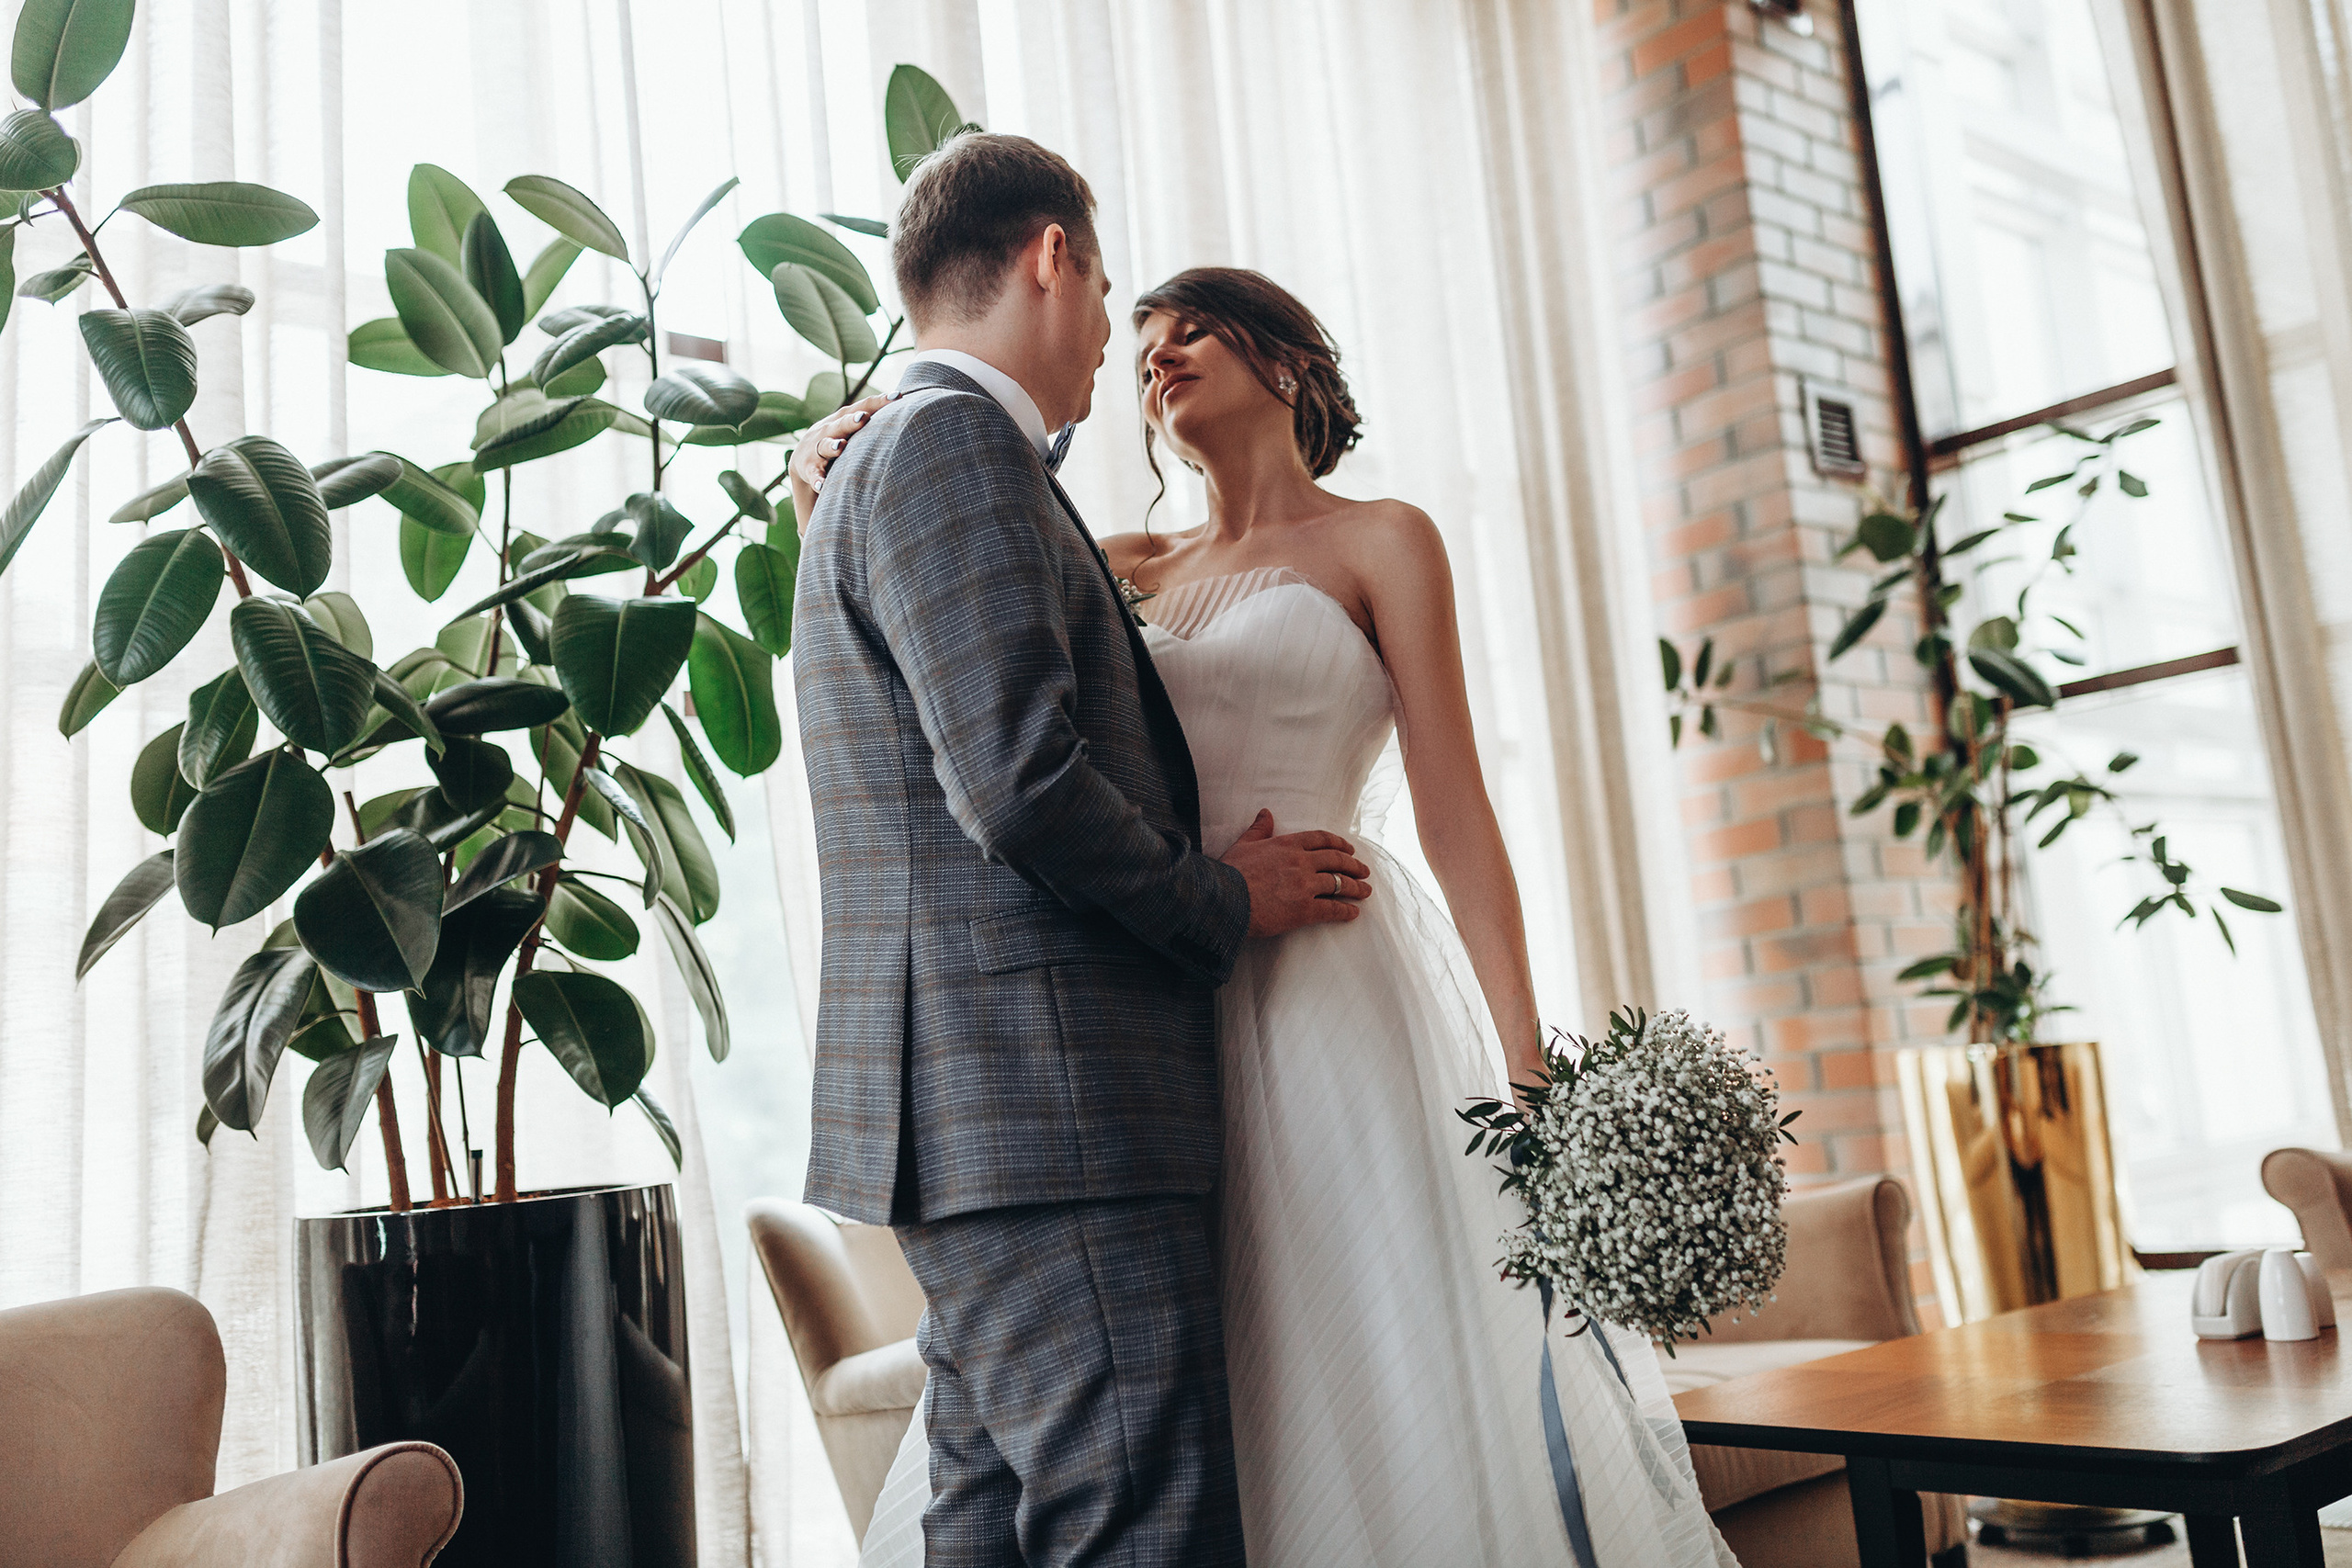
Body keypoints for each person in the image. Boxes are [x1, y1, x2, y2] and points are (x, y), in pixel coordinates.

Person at [797, 254, 1736, 1567]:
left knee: (1353, 1340)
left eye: (1194, 332)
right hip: (1154, 985)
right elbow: (980, 620)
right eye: (1141, 348)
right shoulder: (1109, 553)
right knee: (1163, 1373)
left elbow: (1458, 810)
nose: (1158, 355)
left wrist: (1529, 1063)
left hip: (1334, 994)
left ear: (1286, 361)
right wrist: (848, 432)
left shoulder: (1385, 540)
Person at [791, 135, 1372, 1568]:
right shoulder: (946, 447)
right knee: (1141, 1528)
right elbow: (1023, 784)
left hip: (994, 1120)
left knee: (988, 1529)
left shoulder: (898, 454)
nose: (1116, 338)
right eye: (1111, 291)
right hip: (1050, 1110)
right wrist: (1227, 897)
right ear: (1051, 258)